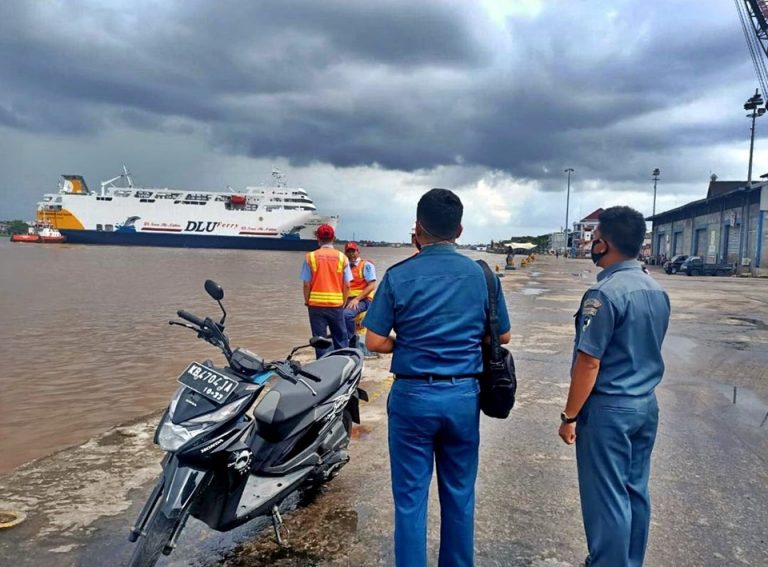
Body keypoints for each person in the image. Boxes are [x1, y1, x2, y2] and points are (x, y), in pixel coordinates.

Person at [364, 188, 511, 567]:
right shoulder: (483, 275)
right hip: (464, 396)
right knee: (460, 493)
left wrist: (406, 342)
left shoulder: (399, 276)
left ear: (417, 228)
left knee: (410, 499)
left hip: (413, 398)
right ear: (459, 230)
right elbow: (503, 335)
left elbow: (376, 340)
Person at [558, 206, 671, 567]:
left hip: (609, 409)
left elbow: (589, 361)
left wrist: (569, 415)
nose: (592, 246)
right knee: (635, 490)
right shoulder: (655, 290)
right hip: (644, 404)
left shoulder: (603, 294)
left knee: (606, 496)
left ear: (604, 244)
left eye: (594, 241)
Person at [300, 224, 353, 358]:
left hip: (316, 305)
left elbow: (306, 284)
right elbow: (347, 285)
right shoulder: (342, 258)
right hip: (336, 305)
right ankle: (342, 365)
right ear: (334, 238)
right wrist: (343, 302)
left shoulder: (310, 257)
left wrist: (308, 302)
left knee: (320, 341)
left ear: (317, 238)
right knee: (341, 338)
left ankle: (322, 368)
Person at [342, 241, 377, 345]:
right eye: (348, 252)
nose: (351, 254)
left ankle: (351, 340)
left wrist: (357, 299)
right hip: (348, 298)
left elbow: (372, 285)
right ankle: (340, 336)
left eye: (353, 251)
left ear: (358, 251)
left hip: (364, 299)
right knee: (332, 313)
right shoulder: (344, 266)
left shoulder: (366, 265)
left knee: (347, 314)